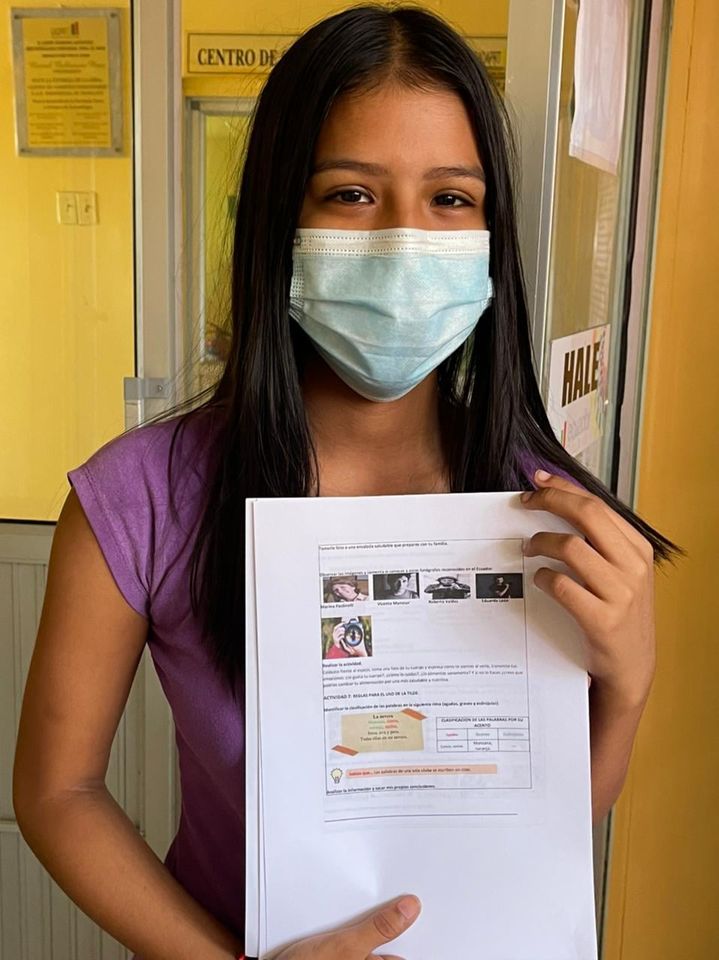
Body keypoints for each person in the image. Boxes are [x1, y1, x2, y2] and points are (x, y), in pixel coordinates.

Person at [12, 6, 675, 960]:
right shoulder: (142, 498)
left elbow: (547, 823)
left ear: (492, 234)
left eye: (450, 199)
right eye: (351, 194)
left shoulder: (544, 505)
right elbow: (58, 790)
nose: (403, 240)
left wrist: (630, 682)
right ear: (279, 218)